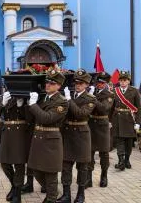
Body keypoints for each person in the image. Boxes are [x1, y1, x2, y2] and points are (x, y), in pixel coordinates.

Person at [22, 70, 68, 203]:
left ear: (59, 86)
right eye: (47, 82)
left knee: (50, 174)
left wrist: (33, 105)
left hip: (51, 141)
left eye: (52, 83)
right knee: (36, 170)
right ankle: (51, 192)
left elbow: (47, 118)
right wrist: (25, 104)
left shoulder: (62, 102)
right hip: (38, 138)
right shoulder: (43, 97)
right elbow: (31, 118)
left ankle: (51, 197)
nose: (48, 85)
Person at [57, 69, 96, 203]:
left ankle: (80, 194)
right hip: (68, 134)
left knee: (82, 166)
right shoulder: (69, 96)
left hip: (81, 134)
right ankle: (66, 194)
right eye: (76, 82)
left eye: (81, 83)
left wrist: (68, 100)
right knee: (65, 166)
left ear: (86, 85)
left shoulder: (90, 99)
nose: (77, 85)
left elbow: (81, 114)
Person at [0, 90, 32, 202]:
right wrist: (2, 103)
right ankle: (14, 186)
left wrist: (22, 106)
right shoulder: (4, 97)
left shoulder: (26, 98)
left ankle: (17, 193)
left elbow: (30, 120)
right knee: (4, 163)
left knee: (19, 164)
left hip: (21, 134)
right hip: (6, 134)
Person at [86, 72, 114, 188]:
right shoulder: (91, 93)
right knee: (90, 153)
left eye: (102, 83)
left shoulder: (109, 95)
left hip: (102, 125)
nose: (99, 85)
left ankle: (104, 175)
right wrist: (89, 95)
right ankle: (88, 178)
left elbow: (103, 108)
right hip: (91, 124)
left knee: (104, 153)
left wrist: (92, 98)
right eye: (98, 82)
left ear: (106, 83)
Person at [111, 71, 141, 171]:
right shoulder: (115, 91)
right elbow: (111, 107)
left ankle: (127, 159)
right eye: (121, 80)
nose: (123, 82)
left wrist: (138, 122)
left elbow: (139, 108)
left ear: (128, 81)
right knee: (119, 140)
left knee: (128, 142)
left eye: (125, 80)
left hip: (130, 119)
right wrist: (110, 120)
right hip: (118, 119)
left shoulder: (134, 91)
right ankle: (121, 161)